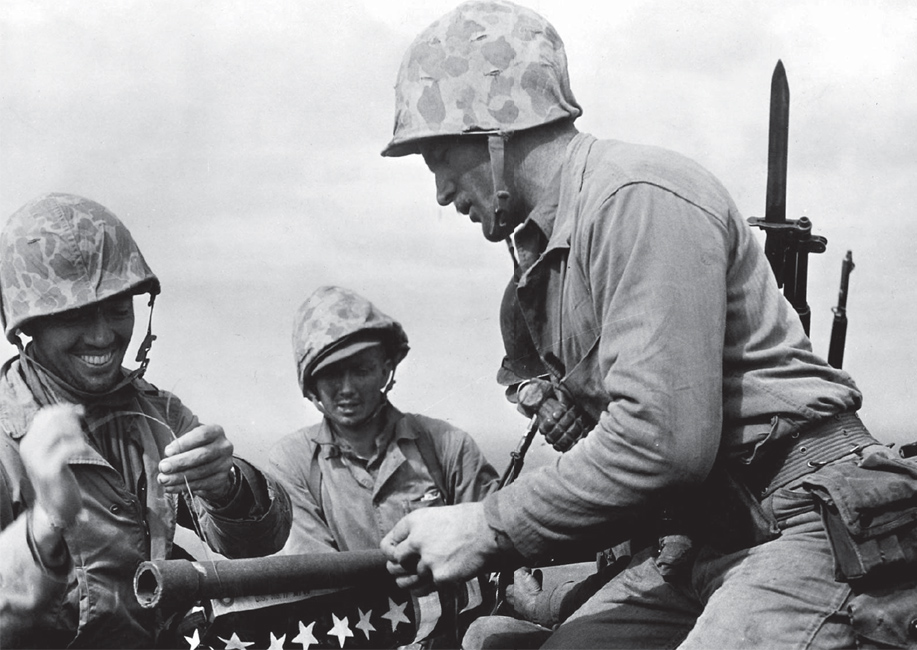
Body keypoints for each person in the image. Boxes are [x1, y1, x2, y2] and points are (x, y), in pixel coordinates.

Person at [377, 2, 917, 648]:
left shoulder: (637, 196)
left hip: (805, 521)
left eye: (439, 157)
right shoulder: (548, 264)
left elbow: (662, 443)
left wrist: (485, 526)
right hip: (704, 534)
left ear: (494, 139)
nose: (439, 192)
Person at [0, 193, 292, 649]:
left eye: (118, 309)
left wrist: (228, 486)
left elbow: (255, 545)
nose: (102, 336)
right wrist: (42, 526)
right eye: (75, 314)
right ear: (27, 326)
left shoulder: (160, 416)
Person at [269, 285, 499, 554]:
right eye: (331, 374)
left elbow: (494, 537)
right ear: (312, 386)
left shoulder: (447, 446)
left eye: (361, 370)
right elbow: (316, 570)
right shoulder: (294, 463)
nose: (347, 389)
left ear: (384, 370)